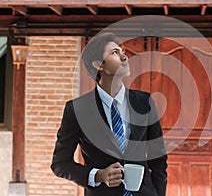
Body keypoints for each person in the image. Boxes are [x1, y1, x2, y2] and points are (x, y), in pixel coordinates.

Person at [51, 32, 168, 196]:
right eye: (115, 52)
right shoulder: (77, 109)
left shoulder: (145, 102)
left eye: (123, 52)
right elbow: (60, 164)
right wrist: (98, 175)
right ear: (99, 64)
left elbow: (158, 159)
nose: (124, 57)